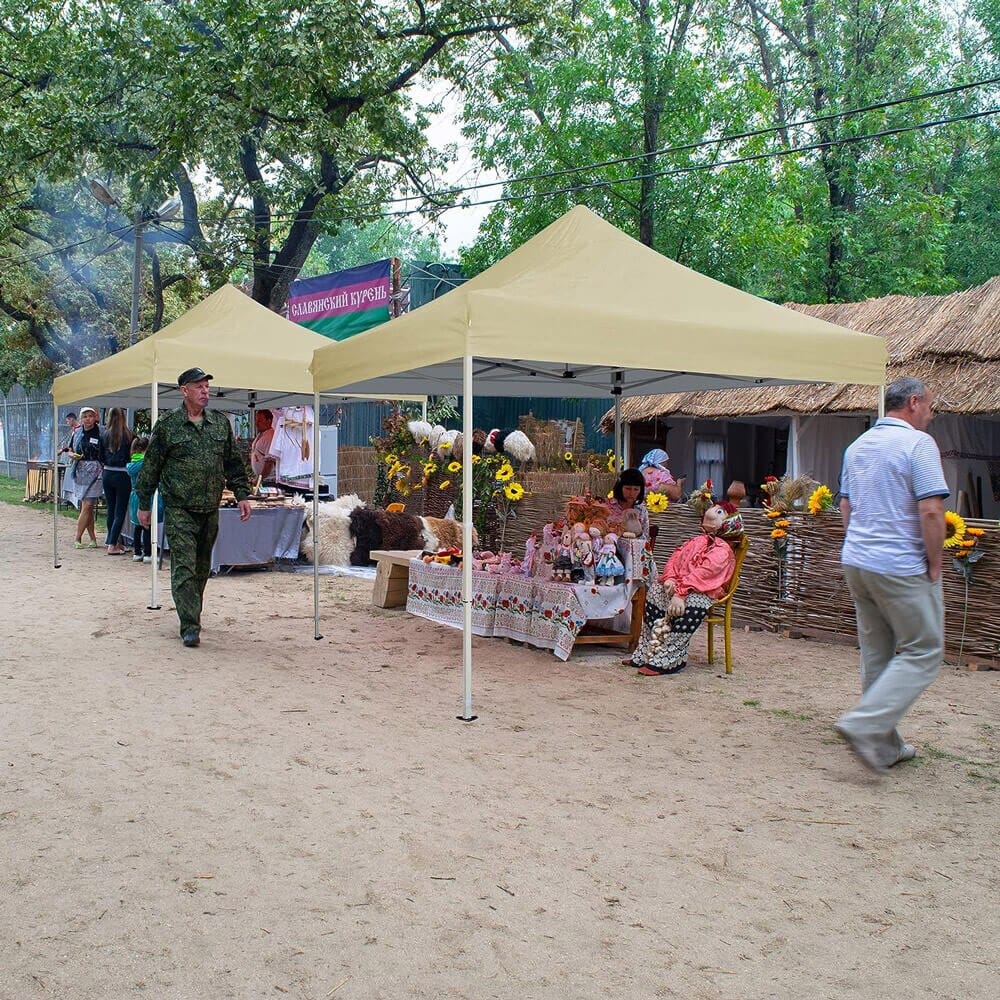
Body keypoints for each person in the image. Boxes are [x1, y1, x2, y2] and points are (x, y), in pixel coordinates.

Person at [835, 376, 949, 774]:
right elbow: (932, 511)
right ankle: (864, 723)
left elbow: (846, 507)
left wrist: (861, 544)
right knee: (924, 650)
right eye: (930, 407)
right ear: (914, 402)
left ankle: (884, 747)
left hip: (857, 561)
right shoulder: (918, 444)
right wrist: (934, 562)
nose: (931, 415)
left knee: (877, 652)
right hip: (899, 565)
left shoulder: (858, 445)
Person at [136, 368, 252, 648]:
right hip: (179, 509)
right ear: (184, 391)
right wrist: (144, 504)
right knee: (185, 567)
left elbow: (233, 463)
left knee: (201, 568)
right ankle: (190, 625)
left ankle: (191, 610)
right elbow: (151, 466)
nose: (205, 391)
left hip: (209, 509)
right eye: (198, 386)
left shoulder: (220, 425)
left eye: (207, 387)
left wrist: (243, 494)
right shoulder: (168, 425)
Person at [625, 504, 742, 675]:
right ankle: (648, 650)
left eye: (719, 512)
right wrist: (670, 578)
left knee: (693, 603)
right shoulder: (697, 541)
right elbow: (676, 557)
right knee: (656, 591)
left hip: (703, 590)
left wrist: (681, 593)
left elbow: (705, 573)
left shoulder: (722, 550)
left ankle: (670, 658)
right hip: (681, 584)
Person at [100, 406, 134, 555]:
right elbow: (132, 454)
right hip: (122, 473)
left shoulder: (104, 434)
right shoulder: (129, 435)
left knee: (111, 510)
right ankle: (112, 544)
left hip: (107, 472)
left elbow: (100, 455)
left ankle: (113, 540)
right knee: (120, 511)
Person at [69, 407, 104, 549]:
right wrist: (71, 455)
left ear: (95, 417)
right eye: (85, 416)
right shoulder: (77, 432)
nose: (88, 419)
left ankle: (77, 537)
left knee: (88, 504)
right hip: (81, 469)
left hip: (96, 470)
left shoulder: (101, 431)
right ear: (81, 418)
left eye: (91, 416)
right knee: (86, 506)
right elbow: (70, 449)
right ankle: (93, 539)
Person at [127, 436, 162, 562]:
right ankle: (148, 553)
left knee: (137, 525)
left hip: (135, 495)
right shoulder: (146, 464)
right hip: (147, 495)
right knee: (147, 525)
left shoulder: (132, 464)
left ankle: (137, 552)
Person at [607, 468, 650, 538]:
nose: (631, 493)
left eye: (636, 489)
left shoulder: (641, 510)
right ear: (620, 487)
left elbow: (645, 537)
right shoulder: (608, 506)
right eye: (628, 488)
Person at [249, 408, 276, 482]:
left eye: (260, 421)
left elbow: (269, 462)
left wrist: (259, 479)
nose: (256, 423)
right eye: (256, 421)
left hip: (268, 480)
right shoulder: (261, 434)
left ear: (269, 421)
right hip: (261, 478)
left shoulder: (270, 436)